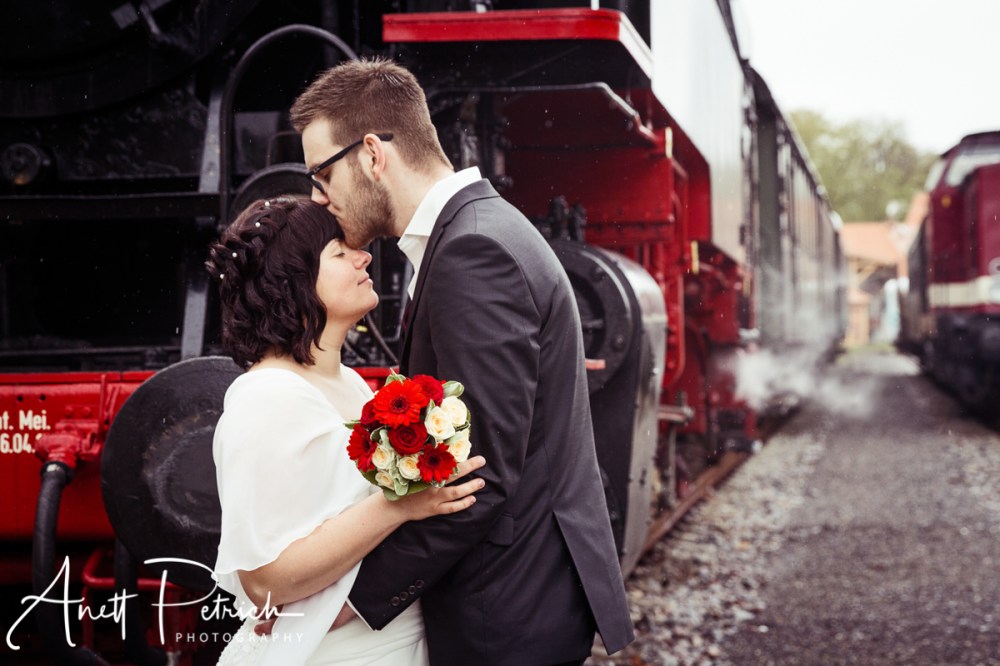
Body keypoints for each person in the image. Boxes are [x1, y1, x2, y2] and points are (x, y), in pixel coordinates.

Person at [289, 58, 634, 665]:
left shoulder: (472, 251)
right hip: (516, 602)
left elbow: (480, 475)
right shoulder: (478, 229)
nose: (319, 197)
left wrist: (350, 602)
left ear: (372, 154)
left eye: (322, 174)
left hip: (500, 616)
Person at [205, 197, 486, 665]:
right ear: (293, 283)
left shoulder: (351, 382)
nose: (364, 257)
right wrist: (399, 506)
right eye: (339, 252)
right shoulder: (266, 398)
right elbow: (264, 580)